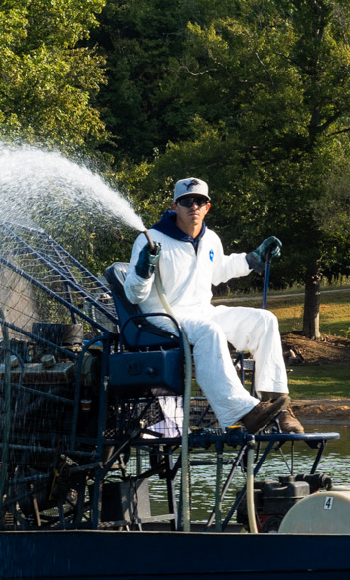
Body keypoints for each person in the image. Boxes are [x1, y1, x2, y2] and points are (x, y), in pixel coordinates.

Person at [125, 178, 304, 434]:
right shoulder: (151, 240)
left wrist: (254, 258)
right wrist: (144, 269)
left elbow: (220, 269)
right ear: (175, 206)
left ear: (207, 207)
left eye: (200, 201)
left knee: (265, 320)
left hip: (202, 312)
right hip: (164, 318)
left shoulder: (211, 239)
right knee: (209, 331)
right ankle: (244, 412)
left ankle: (279, 408)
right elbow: (134, 294)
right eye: (187, 201)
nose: (193, 206)